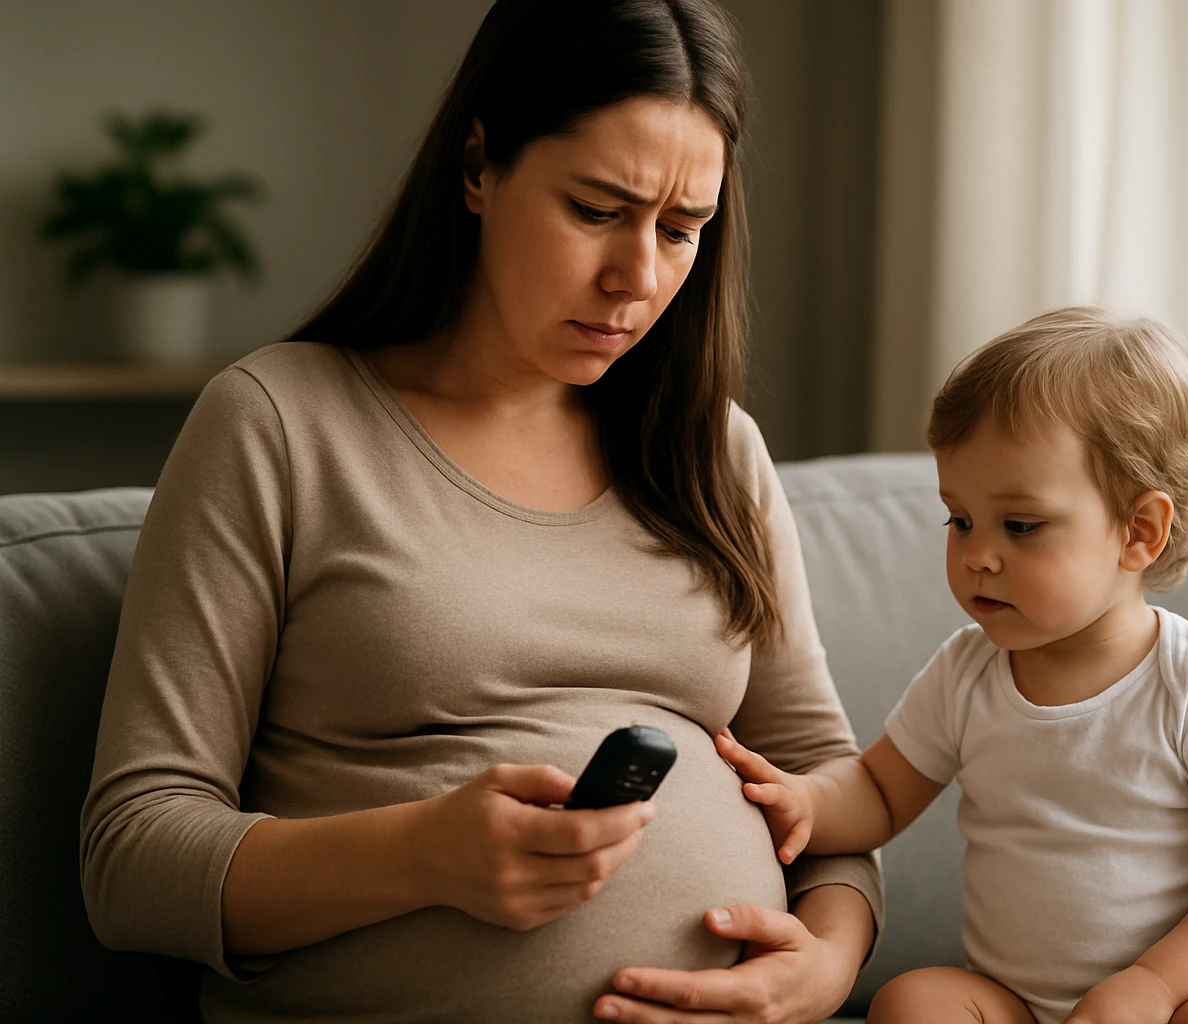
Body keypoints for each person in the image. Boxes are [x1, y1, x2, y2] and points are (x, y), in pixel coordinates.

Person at [78, 2, 879, 1022]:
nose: (638, 278)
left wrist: (828, 963)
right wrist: (420, 856)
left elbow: (826, 786)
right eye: (596, 209)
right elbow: (131, 858)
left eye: (681, 230)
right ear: (478, 165)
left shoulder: (715, 450)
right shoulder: (281, 423)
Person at [717, 307, 1188, 1024]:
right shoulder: (967, 672)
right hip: (1018, 1004)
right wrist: (809, 802)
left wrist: (1152, 985)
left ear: (1139, 532)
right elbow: (877, 790)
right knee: (913, 1004)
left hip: (1178, 998)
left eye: (1019, 526)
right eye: (959, 519)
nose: (977, 555)